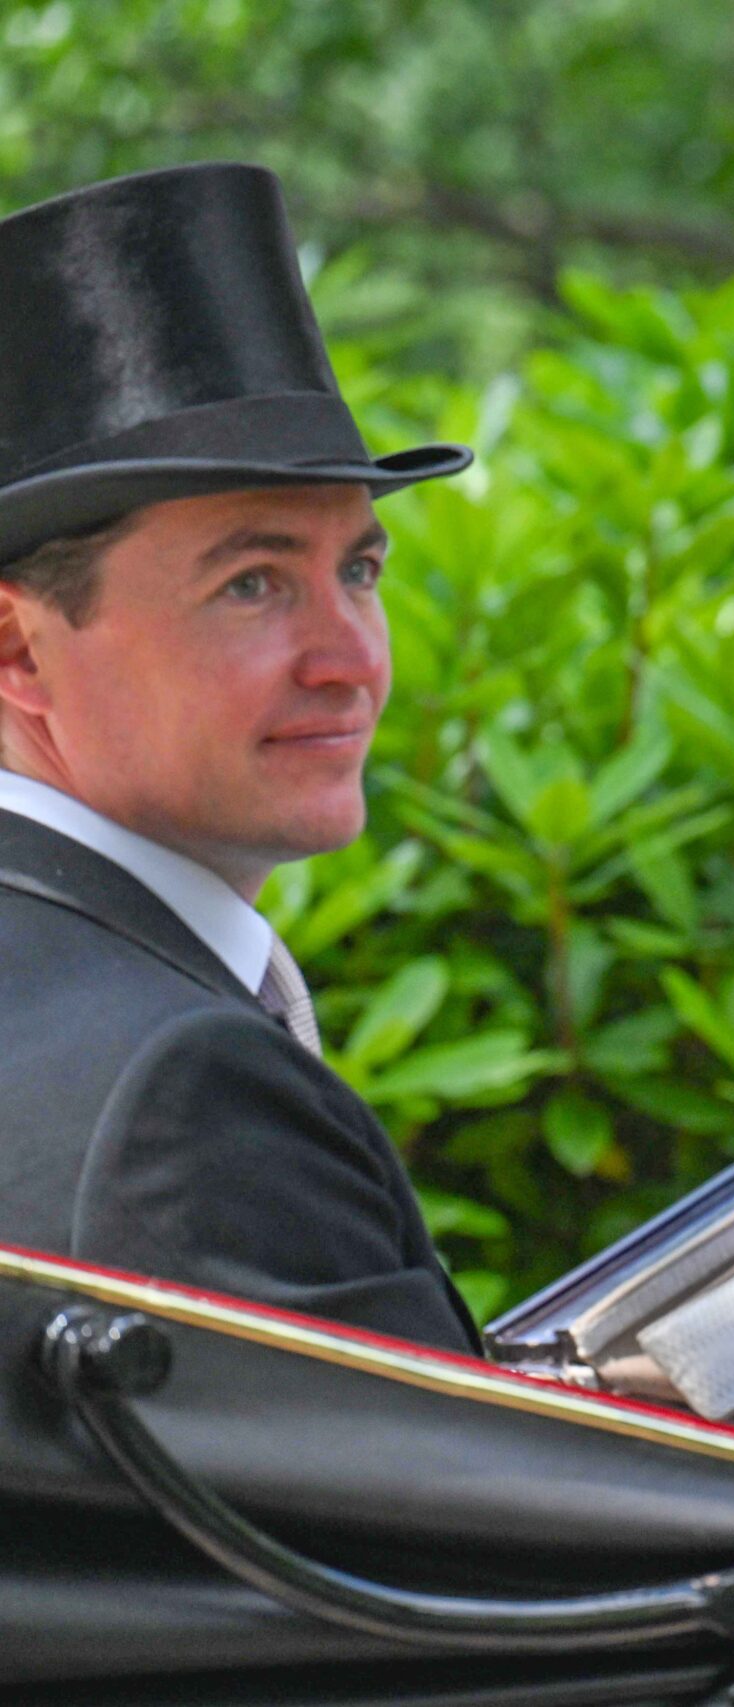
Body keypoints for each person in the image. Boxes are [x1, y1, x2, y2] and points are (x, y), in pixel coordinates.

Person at [0, 164, 480, 1353]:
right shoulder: (185, 1088)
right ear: (18, 650)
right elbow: (417, 1479)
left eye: (358, 571)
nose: (350, 660)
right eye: (252, 583)